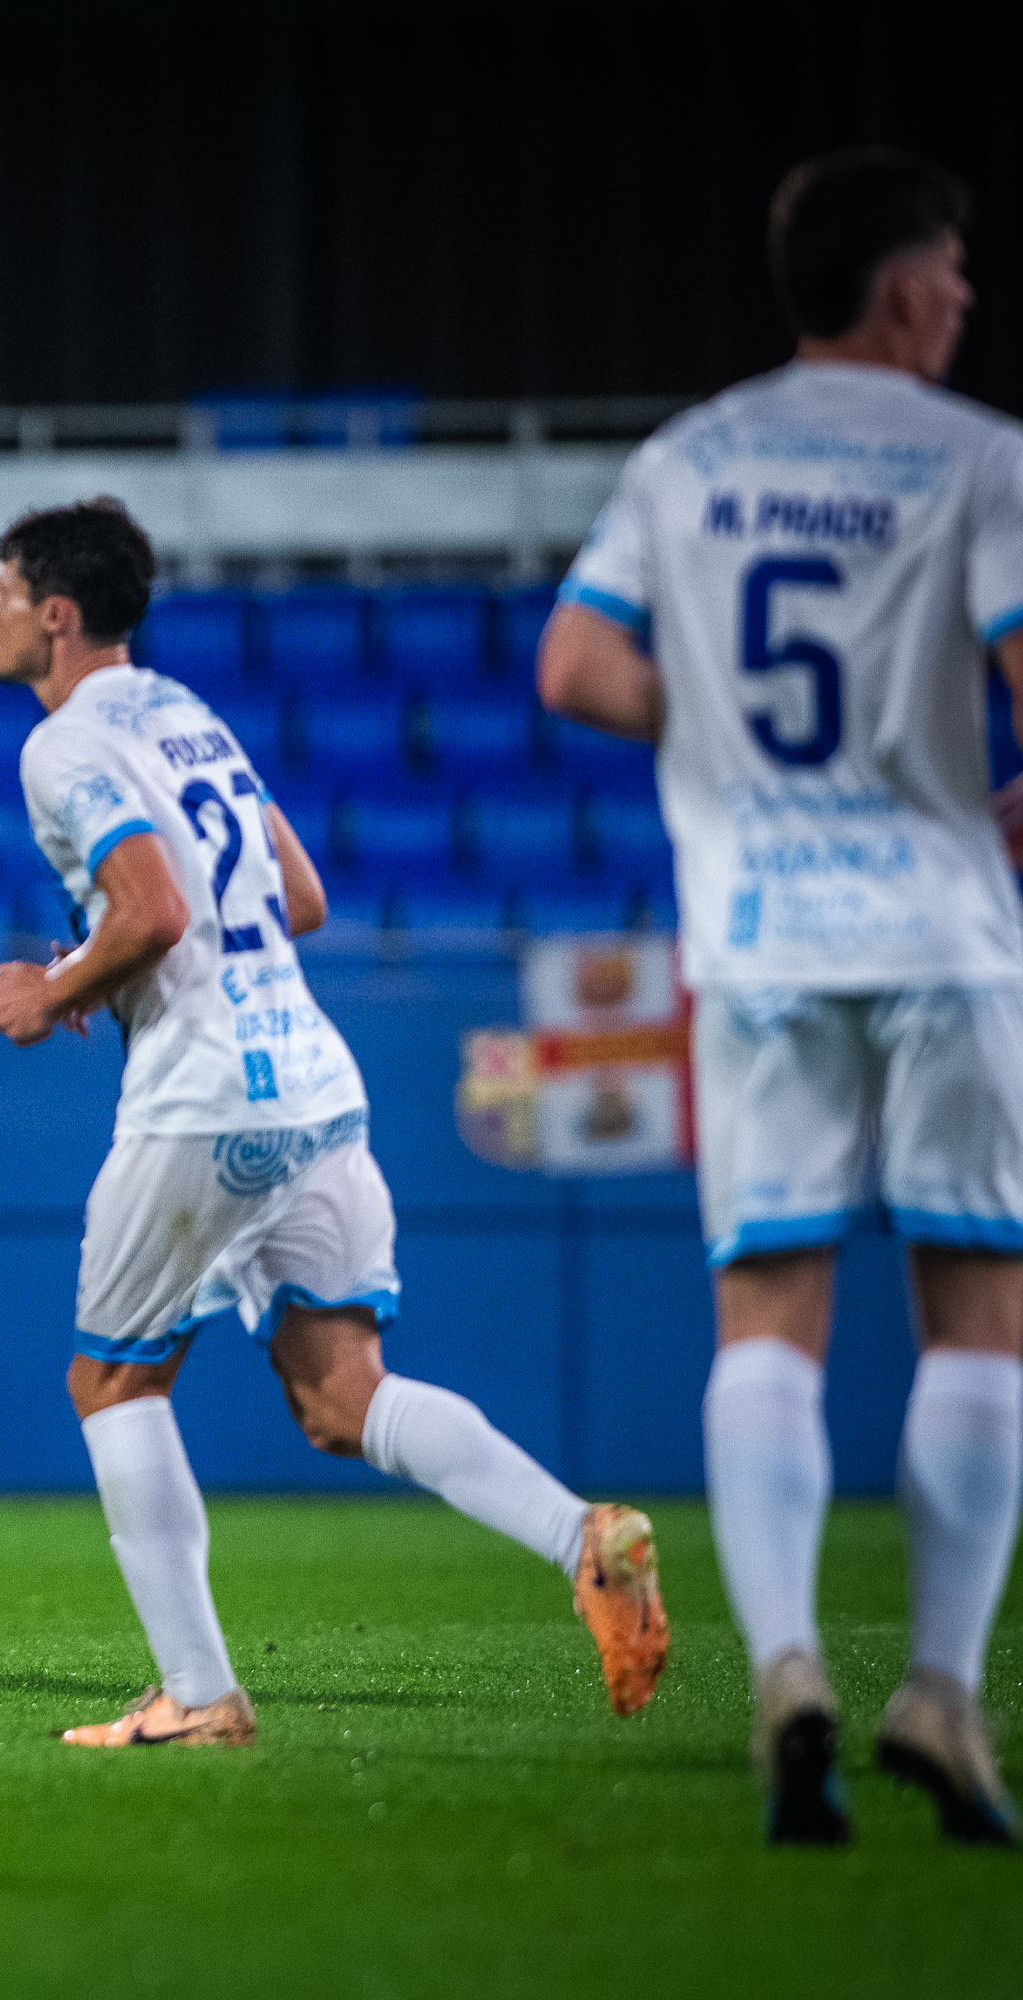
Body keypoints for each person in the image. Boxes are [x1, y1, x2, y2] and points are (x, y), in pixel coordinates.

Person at [0, 497, 669, 1747]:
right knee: (344, 1399)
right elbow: (298, 893)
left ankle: (200, 1694)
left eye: (4, 589)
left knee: (113, 1377)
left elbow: (153, 914)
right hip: (310, 1080)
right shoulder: (191, 714)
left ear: (58, 616)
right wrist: (110, 958)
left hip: (203, 1097)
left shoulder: (63, 744)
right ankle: (585, 1535)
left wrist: (55, 986)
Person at [541, 147, 1023, 1847]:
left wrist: (734, 751)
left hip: (751, 928)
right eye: (955, 276)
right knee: (979, 1305)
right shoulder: (978, 460)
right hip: (944, 927)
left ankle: (794, 1670)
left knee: (771, 1316)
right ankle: (944, 1694)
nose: (965, 302)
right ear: (901, 288)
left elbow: (577, 665)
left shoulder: (693, 459)